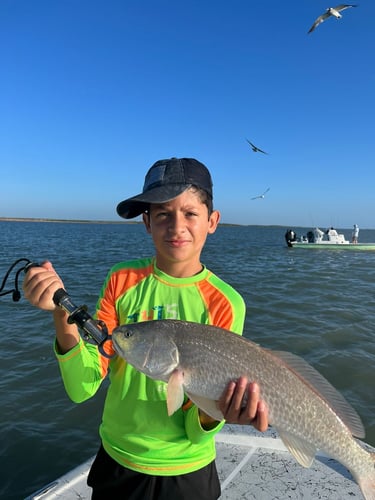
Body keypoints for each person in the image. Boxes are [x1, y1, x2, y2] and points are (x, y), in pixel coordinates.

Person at [23, 157, 268, 500]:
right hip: (118, 461)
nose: (176, 226)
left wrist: (217, 415)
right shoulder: (121, 280)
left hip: (188, 472)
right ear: (146, 222)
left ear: (212, 221)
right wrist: (60, 316)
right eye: (163, 214)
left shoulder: (227, 303)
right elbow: (83, 386)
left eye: (190, 213)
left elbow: (197, 432)